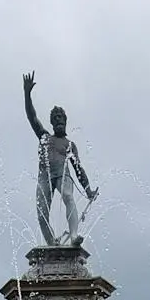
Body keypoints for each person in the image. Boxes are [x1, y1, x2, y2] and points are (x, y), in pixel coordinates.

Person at [23, 71, 98, 247]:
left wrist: (88, 191)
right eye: (55, 118)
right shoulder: (44, 137)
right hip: (45, 177)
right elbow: (31, 117)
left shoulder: (69, 144)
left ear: (66, 120)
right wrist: (27, 94)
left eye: (61, 118)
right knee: (41, 212)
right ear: (51, 122)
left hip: (63, 174)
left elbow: (79, 170)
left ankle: (73, 236)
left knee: (68, 196)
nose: (58, 120)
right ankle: (51, 243)